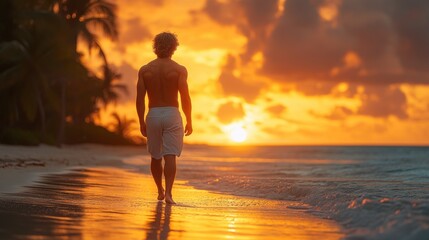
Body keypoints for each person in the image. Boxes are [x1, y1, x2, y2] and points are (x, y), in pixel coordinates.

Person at [136, 32, 193, 204]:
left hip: (153, 114)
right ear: (174, 47)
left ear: (155, 46)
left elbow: (139, 99)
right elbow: (185, 97)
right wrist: (189, 119)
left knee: (155, 156)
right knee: (170, 155)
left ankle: (159, 190)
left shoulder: (145, 70)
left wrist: (141, 122)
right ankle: (168, 193)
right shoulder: (179, 70)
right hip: (172, 113)